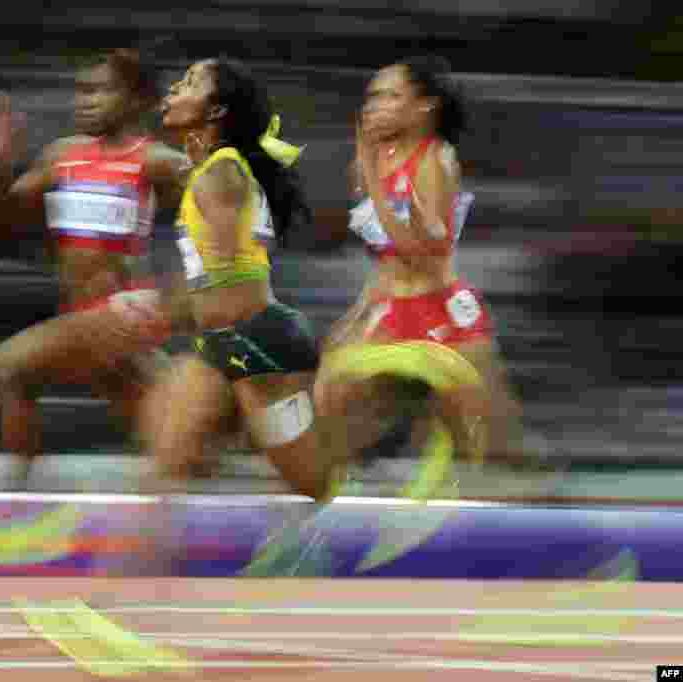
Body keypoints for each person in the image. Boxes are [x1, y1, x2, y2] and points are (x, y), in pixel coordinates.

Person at [0, 49, 193, 488]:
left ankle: (16, 502)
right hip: (82, 317)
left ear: (135, 100)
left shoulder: (157, 162)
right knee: (168, 435)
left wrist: (175, 291)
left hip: (123, 314)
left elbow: (221, 213)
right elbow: (7, 218)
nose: (84, 101)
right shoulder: (61, 157)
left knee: (9, 369)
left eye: (99, 90)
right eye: (80, 91)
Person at [314, 56, 525, 499]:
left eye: (391, 95)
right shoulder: (367, 163)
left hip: (443, 313)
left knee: (496, 452)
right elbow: (385, 258)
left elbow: (425, 256)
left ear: (423, 108)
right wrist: (360, 310)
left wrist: (372, 178)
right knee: (329, 406)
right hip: (392, 309)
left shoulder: (436, 160)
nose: (375, 106)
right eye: (372, 96)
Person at [139, 57, 328, 500]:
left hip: (258, 348)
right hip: (232, 344)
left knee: (314, 486)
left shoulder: (222, 172)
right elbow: (217, 275)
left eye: (189, 83)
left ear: (216, 110)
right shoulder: (216, 169)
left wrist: (161, 307)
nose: (172, 91)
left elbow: (230, 285)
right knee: (167, 468)